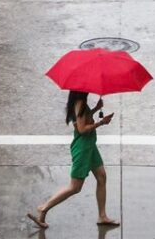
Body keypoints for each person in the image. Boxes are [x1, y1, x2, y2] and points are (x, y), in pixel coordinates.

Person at [27, 90, 118, 230]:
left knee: (101, 177)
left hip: (90, 147)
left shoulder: (79, 103)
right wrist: (101, 123)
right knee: (75, 187)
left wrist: (95, 109)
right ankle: (44, 207)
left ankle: (102, 216)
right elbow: (82, 129)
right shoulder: (80, 103)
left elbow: (82, 120)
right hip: (83, 149)